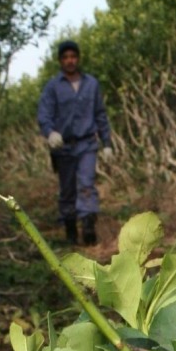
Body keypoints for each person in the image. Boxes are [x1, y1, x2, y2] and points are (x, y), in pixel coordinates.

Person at [37, 40, 112, 246]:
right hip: (63, 146)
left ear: (78, 59)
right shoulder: (53, 87)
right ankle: (70, 228)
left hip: (87, 143)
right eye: (66, 57)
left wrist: (107, 143)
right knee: (68, 189)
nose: (70, 61)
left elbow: (100, 114)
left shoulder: (91, 84)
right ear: (61, 61)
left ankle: (88, 226)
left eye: (73, 57)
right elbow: (44, 114)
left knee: (87, 184)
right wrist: (50, 132)